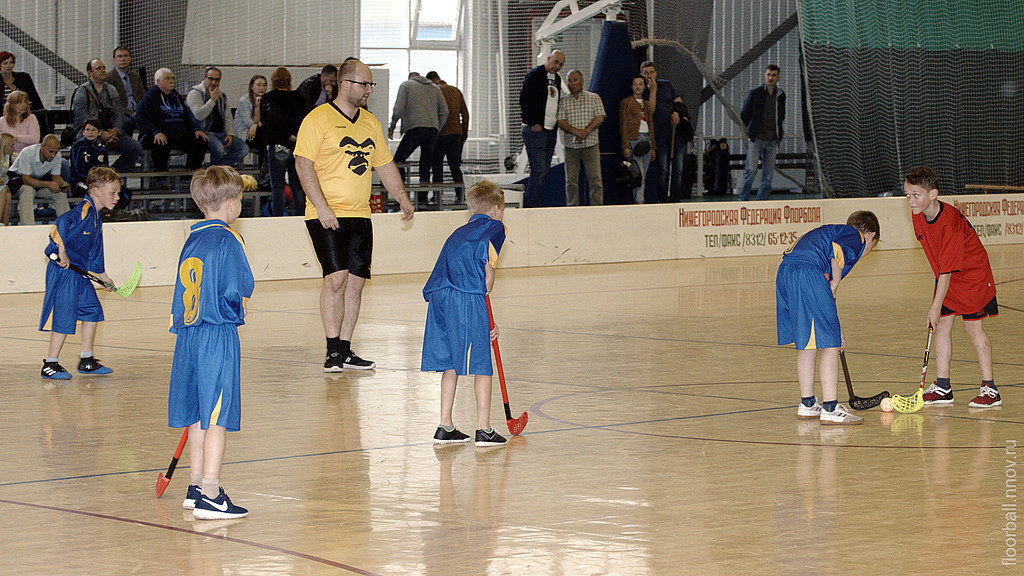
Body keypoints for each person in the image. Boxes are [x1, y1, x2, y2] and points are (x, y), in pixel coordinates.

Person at [295, 59, 415, 372]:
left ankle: (345, 349)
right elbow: (303, 165)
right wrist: (321, 206)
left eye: (371, 84)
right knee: (336, 278)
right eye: (366, 84)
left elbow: (385, 165)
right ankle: (332, 348)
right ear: (346, 83)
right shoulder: (317, 119)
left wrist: (402, 198)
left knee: (356, 283)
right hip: (325, 214)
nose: (370, 90)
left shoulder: (370, 123)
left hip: (360, 213)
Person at [168, 166, 254, 520]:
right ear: (232, 203)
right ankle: (211, 493)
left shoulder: (193, 238)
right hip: (216, 335)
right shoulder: (229, 239)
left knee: (196, 415)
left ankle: (194, 486)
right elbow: (238, 290)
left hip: (187, 335)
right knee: (217, 416)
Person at [905, 166, 1002, 408]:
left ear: (933, 194)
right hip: (947, 275)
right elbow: (933, 258)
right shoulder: (918, 215)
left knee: (973, 329)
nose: (911, 201)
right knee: (942, 327)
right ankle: (943, 387)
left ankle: (990, 389)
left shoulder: (949, 223)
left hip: (972, 276)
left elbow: (948, 268)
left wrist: (935, 306)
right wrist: (936, 294)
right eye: (907, 195)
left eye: (916, 195)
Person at [421, 180, 507, 447]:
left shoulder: (459, 231)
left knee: (451, 362)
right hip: (465, 297)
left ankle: (445, 425)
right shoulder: (495, 227)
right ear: (495, 209)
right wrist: (484, 321)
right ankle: (484, 429)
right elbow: (486, 280)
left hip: (439, 297)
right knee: (481, 362)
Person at [776, 210, 880, 425]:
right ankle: (831, 408)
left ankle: (807, 404)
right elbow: (837, 250)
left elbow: (826, 302)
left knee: (809, 344)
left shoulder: (831, 233)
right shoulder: (854, 235)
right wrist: (836, 281)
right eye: (873, 245)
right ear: (870, 235)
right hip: (808, 273)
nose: (867, 250)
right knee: (829, 346)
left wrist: (836, 330)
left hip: (787, 273)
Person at [38, 166, 121, 380]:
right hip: (64, 272)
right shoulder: (83, 211)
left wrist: (103, 277)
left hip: (80, 272)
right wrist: (62, 251)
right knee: (65, 315)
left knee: (92, 310)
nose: (117, 197)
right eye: (112, 192)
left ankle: (86, 359)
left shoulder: (97, 218)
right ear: (95, 191)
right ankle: (50, 363)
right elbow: (60, 224)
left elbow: (95, 252)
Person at [70, 58, 143, 172]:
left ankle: (111, 173)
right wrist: (101, 134)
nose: (103, 70)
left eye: (104, 68)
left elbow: (119, 113)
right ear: (90, 72)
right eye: (98, 68)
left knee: (136, 148)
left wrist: (115, 130)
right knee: (96, 148)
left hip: (111, 132)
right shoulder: (82, 91)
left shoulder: (111, 90)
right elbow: (81, 118)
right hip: (88, 133)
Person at [136, 68, 208, 172]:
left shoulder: (176, 96)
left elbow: (186, 117)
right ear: (158, 81)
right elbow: (140, 118)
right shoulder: (149, 96)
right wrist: (155, 132)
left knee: (201, 141)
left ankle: (189, 174)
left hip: (177, 134)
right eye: (167, 78)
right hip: (155, 135)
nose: (171, 81)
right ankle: (161, 178)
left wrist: (196, 129)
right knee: (161, 143)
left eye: (172, 78)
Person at [388, 72, 448, 196]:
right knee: (425, 165)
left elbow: (398, 109)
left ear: (410, 78)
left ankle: (400, 193)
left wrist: (392, 126)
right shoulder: (435, 88)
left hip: (414, 128)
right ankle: (423, 199)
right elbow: (445, 112)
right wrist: (437, 128)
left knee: (398, 161)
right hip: (432, 130)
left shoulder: (406, 86)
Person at [641, 61, 693, 202]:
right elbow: (650, 110)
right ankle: (663, 200)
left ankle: (675, 199)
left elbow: (679, 103)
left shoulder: (667, 85)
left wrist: (676, 112)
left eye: (651, 72)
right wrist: (652, 91)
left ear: (656, 73)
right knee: (663, 169)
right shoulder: (643, 91)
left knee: (678, 168)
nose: (649, 75)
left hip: (676, 133)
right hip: (659, 135)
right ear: (642, 75)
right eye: (646, 73)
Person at [518, 50, 565, 207]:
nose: (557, 66)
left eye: (561, 64)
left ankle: (534, 202)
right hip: (535, 130)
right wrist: (533, 122)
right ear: (549, 59)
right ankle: (530, 205)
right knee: (539, 170)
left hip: (550, 131)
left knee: (543, 171)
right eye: (556, 62)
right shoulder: (535, 75)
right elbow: (524, 99)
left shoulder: (557, 79)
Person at [261, 67, 307, 217]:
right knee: (297, 187)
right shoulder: (299, 98)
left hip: (277, 146)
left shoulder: (268, 98)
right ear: (289, 81)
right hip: (296, 146)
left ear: (274, 81)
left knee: (278, 188)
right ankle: (302, 217)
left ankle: (278, 219)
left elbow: (268, 123)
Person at [556, 69, 605, 206]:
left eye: (575, 80)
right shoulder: (563, 101)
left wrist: (586, 132)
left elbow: (600, 117)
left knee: (596, 179)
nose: (572, 84)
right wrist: (577, 132)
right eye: (569, 81)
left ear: (582, 80)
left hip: (591, 145)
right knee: (571, 181)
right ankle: (572, 207)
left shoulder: (594, 97)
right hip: (571, 147)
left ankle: (597, 208)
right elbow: (560, 121)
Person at [739, 64, 785, 201]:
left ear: (778, 77)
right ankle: (743, 201)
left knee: (768, 176)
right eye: (768, 75)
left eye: (774, 75)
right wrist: (753, 128)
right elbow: (744, 113)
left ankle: (762, 203)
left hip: (772, 140)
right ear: (765, 75)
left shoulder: (781, 95)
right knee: (751, 171)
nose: (771, 78)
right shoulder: (755, 93)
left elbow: (781, 116)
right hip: (757, 139)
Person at [186, 67, 248, 167]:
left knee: (243, 148)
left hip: (220, 133)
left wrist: (230, 134)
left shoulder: (222, 96)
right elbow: (199, 115)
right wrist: (212, 100)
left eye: (217, 80)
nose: (214, 82)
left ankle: (213, 167)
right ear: (204, 78)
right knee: (219, 149)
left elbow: (228, 117)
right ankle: (216, 171)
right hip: (204, 132)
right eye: (211, 79)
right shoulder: (195, 93)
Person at [68, 118, 133, 211]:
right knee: (96, 192)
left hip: (99, 183)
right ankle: (96, 214)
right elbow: (77, 170)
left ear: (99, 133)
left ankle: (112, 213)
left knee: (125, 192)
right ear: (83, 132)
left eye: (94, 130)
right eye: (88, 130)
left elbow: (105, 169)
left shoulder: (102, 148)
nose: (90, 132)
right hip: (80, 182)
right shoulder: (78, 146)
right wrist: (93, 181)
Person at [8, 135, 70, 225]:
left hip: (40, 182)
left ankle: (67, 226)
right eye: (51, 152)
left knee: (60, 193)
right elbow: (26, 180)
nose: (53, 155)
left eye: (55, 152)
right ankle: (28, 228)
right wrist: (48, 184)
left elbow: (56, 177)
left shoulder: (57, 155)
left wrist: (62, 184)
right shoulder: (27, 153)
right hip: (18, 183)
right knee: (27, 190)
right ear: (42, 147)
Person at [425, 71, 469, 194]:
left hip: (441, 134)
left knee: (437, 167)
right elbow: (465, 115)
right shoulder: (456, 91)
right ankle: (460, 195)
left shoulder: (435, 91)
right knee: (455, 167)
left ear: (431, 81)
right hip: (456, 134)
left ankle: (437, 196)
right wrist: (464, 134)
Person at [619, 75, 655, 204]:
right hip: (634, 139)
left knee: (643, 173)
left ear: (644, 87)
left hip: (646, 139)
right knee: (639, 173)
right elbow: (623, 124)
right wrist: (626, 145)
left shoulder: (646, 104)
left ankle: (638, 199)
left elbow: (651, 124)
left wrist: (653, 147)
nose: (637, 87)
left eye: (640, 84)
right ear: (631, 87)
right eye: (635, 84)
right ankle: (640, 201)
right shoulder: (626, 103)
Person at [0, 51, 50, 135]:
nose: (9, 66)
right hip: (5, 114)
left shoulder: (24, 78)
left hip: (24, 113)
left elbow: (34, 98)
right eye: (5, 63)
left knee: (43, 115)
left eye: (11, 62)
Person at [104, 46, 146, 138]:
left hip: (137, 111)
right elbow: (114, 103)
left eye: (125, 56)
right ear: (114, 60)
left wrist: (141, 111)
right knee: (127, 123)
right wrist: (131, 113)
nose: (123, 59)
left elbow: (143, 97)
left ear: (130, 59)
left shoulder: (135, 76)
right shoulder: (109, 78)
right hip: (120, 113)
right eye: (119, 56)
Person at [234, 75, 268, 187]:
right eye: (258, 85)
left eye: (264, 85)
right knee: (264, 137)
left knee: (266, 137)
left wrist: (256, 125)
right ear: (252, 87)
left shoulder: (266, 100)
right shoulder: (244, 101)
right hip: (245, 135)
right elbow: (249, 123)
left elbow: (267, 122)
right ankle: (264, 171)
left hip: (257, 134)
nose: (262, 88)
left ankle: (264, 170)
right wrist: (257, 109)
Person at [0, 132, 15, 225]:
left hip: (2, 184)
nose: (14, 148)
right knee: (4, 189)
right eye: (11, 145)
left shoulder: (7, 157)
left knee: (8, 196)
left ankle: (4, 225)